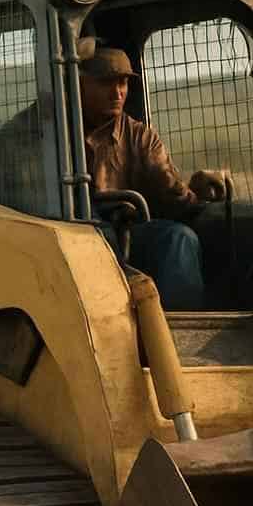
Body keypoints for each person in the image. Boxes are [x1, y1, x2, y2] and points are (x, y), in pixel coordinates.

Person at [76, 46, 225, 310]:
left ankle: (182, 329)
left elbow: (172, 193)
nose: (117, 92)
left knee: (178, 239)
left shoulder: (141, 138)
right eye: (106, 83)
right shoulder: (44, 129)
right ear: (80, 84)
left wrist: (197, 193)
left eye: (122, 83)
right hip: (65, 236)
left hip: (122, 235)